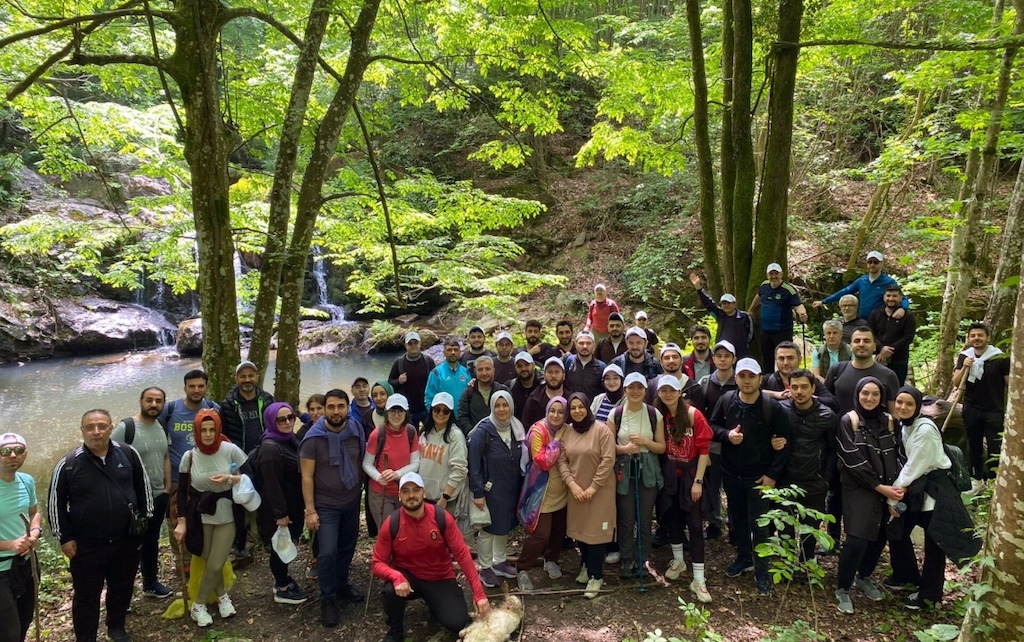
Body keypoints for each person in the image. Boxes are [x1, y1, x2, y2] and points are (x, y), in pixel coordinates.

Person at [50, 410, 153, 642]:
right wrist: (64, 538)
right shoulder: (69, 464)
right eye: (90, 427)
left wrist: (143, 523)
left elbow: (143, 488)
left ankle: (116, 626)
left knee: (122, 587)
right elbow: (55, 504)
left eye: (102, 426)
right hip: (86, 546)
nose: (96, 431)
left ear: (110, 427)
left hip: (125, 540)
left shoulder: (128, 454)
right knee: (87, 596)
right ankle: (86, 637)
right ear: (82, 430)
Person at [888, 386, 981, 610]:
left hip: (936, 491)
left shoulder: (925, 429)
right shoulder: (905, 426)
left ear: (918, 407)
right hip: (918, 488)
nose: (903, 407)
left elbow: (913, 467)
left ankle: (929, 596)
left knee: (935, 544)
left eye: (909, 404)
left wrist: (892, 496)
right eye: (900, 402)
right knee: (896, 530)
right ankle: (906, 575)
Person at [372, 473, 489, 642]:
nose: (411, 495)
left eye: (416, 490)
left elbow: (462, 554)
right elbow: (377, 563)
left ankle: (437, 606)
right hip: (408, 577)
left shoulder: (441, 517)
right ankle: (395, 631)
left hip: (439, 577)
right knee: (390, 591)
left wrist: (479, 593)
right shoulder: (392, 523)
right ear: (399, 496)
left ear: (424, 493)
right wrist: (396, 576)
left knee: (458, 623)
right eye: (405, 491)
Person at [708, 358, 791, 595]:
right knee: (738, 520)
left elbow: (785, 442)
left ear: (760, 379)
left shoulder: (771, 407)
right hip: (731, 474)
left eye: (751, 376)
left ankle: (762, 571)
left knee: (761, 524)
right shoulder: (726, 401)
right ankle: (744, 558)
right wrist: (727, 435)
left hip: (759, 477)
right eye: (742, 376)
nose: (746, 381)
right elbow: (712, 427)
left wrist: (772, 475)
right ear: (736, 378)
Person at [833, 378, 915, 615]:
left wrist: (898, 488)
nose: (869, 399)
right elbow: (851, 459)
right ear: (857, 394)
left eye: (875, 395)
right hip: (859, 489)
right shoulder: (849, 421)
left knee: (881, 534)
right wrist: (880, 487)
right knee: (857, 539)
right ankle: (843, 587)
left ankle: (864, 576)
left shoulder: (889, 421)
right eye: (865, 394)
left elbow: (901, 454)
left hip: (889, 488)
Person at [172, 410, 250, 628]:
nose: (207, 434)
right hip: (200, 515)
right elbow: (181, 492)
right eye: (203, 430)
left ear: (218, 430)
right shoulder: (189, 456)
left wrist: (231, 478)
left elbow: (250, 476)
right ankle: (223, 597)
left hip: (227, 513)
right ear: (197, 431)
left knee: (216, 564)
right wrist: (182, 520)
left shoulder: (231, 450)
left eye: (212, 429)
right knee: (207, 560)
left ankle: (198, 605)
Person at [300, 389, 366, 628]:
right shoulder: (313, 439)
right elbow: (306, 477)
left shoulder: (355, 428)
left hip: (350, 501)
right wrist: (310, 510)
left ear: (348, 408)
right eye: (331, 407)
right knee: (327, 552)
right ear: (324, 409)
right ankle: (327, 598)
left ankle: (342, 585)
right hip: (325, 505)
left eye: (340, 406)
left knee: (347, 547)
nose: (336, 411)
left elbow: (362, 459)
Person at [654, 377, 713, 603]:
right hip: (670, 475)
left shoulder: (692, 414)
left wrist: (698, 481)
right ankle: (678, 560)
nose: (668, 394)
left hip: (690, 476)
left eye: (672, 390)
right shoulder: (659, 415)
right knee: (672, 519)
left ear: (679, 392)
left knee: (696, 524)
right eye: (663, 391)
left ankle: (699, 579)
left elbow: (704, 449)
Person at [772, 369, 839, 565]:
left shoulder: (827, 415)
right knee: (785, 526)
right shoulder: (780, 410)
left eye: (804, 387)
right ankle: (786, 564)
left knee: (810, 528)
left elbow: (833, 450)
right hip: (785, 479)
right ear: (789, 388)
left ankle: (806, 563)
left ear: (813, 388)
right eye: (794, 387)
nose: (799, 391)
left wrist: (825, 479)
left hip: (814, 482)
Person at [112, 387, 173, 599]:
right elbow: (110, 459)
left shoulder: (161, 425)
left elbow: (165, 456)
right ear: (141, 401)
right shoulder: (126, 428)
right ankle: (122, 594)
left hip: (157, 496)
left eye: (158, 401)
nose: (154, 404)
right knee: (127, 547)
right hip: (133, 500)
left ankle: (150, 583)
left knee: (151, 541)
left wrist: (166, 488)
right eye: (149, 400)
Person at [159, 369, 220, 574]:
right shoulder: (169, 410)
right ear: (184, 387)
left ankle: (204, 555)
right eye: (192, 386)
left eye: (200, 386)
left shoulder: (213, 409)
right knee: (176, 518)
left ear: (206, 387)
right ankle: (181, 559)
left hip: (206, 475)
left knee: (205, 515)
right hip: (178, 477)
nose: (196, 390)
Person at [607, 372, 666, 579]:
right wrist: (626, 449)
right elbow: (608, 446)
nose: (635, 391)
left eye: (639, 387)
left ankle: (643, 560)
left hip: (647, 469)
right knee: (626, 517)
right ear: (625, 390)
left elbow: (661, 447)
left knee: (644, 517)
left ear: (645, 390)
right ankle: (626, 559)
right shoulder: (615, 414)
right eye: (631, 387)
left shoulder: (653, 414)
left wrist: (644, 442)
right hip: (624, 470)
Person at [558, 393, 616, 599]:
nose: (577, 411)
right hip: (577, 490)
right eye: (572, 408)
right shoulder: (568, 432)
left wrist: (593, 487)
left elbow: (608, 460)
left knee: (596, 535)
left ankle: (596, 576)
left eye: (580, 407)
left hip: (599, 492)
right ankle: (585, 565)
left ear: (587, 408)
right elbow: (562, 460)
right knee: (580, 530)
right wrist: (572, 485)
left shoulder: (601, 431)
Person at [467, 391, 526, 587]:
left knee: (504, 525)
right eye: (497, 406)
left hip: (510, 487)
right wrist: (478, 492)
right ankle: (485, 567)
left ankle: (499, 562)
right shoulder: (483, 431)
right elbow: (473, 463)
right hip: (490, 489)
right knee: (488, 528)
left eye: (505, 405)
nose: (501, 409)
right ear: (492, 407)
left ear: (511, 406)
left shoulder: (516, 428)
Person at [221, 360, 275, 565]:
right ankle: (240, 545)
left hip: (264, 456)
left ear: (257, 377)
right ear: (237, 379)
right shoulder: (228, 404)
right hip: (239, 460)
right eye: (242, 376)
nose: (247, 380)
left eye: (250, 375)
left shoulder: (267, 399)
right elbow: (223, 433)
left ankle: (268, 539)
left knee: (267, 498)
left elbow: (274, 425)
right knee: (239, 502)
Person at [255, 402, 308, 605]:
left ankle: (284, 579)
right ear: (271, 421)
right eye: (281, 419)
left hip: (293, 504)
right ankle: (282, 587)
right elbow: (271, 485)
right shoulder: (270, 449)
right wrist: (280, 515)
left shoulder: (289, 440)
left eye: (290, 417)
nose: (287, 422)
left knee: (287, 543)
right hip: (277, 509)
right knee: (280, 547)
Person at [515, 397, 569, 591]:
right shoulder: (538, 431)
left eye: (561, 411)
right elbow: (543, 462)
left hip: (562, 490)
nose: (556, 415)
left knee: (558, 531)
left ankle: (551, 559)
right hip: (541, 494)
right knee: (541, 535)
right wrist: (555, 441)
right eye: (552, 411)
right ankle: (522, 568)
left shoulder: (568, 430)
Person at [952, 322, 1009, 491]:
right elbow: (956, 382)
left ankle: (993, 481)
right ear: (969, 338)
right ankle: (977, 479)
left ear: (988, 338)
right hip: (971, 408)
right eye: (973, 336)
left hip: (994, 409)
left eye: (980, 335)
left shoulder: (999, 357)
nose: (976, 338)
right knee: (973, 444)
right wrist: (965, 368)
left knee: (995, 446)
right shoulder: (965, 356)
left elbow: (1010, 383)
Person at [0, 433, 41, 642]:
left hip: (26, 563)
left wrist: (34, 533)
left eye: (18, 450)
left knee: (25, 620)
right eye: (5, 451)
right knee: (9, 631)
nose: (12, 455)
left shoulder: (26, 481)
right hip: (1, 570)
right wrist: (11, 544)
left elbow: (34, 512)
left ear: (25, 454)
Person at [364, 395, 421, 536]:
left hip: (404, 491)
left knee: (405, 530)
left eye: (400, 411)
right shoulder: (378, 434)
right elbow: (366, 463)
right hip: (380, 492)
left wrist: (397, 474)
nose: (396, 415)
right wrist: (379, 477)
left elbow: (415, 463)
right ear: (386, 413)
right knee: (388, 531)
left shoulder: (411, 432)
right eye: (392, 411)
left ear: (406, 413)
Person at [699, 340, 737, 541]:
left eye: (727, 356)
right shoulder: (706, 382)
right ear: (714, 359)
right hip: (712, 444)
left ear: (734, 359)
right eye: (719, 356)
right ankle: (714, 522)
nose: (723, 360)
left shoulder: (740, 381)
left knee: (732, 487)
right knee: (712, 486)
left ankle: (734, 525)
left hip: (735, 444)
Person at [418, 393, 469, 535]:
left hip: (444, 500)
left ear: (451, 413)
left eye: (445, 411)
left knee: (442, 538)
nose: (441, 414)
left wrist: (445, 498)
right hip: (423, 498)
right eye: (437, 409)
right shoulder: (424, 433)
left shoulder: (455, 436)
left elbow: (459, 470)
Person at [813, 251, 909, 322]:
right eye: (870, 262)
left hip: (880, 322)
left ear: (881, 264)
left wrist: (902, 309)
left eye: (875, 262)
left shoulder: (888, 281)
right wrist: (824, 301)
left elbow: (903, 298)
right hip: (862, 321)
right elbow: (845, 291)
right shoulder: (862, 280)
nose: (872, 265)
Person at [748, 262, 808, 368]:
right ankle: (769, 381)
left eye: (776, 273)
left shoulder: (788, 290)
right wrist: (751, 309)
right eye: (771, 274)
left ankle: (789, 380)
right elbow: (758, 296)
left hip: (782, 332)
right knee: (767, 359)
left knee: (785, 359)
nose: (774, 276)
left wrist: (802, 314)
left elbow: (798, 305)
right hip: (765, 331)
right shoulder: (764, 286)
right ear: (767, 275)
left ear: (781, 274)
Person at [762, 342, 839, 413]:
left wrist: (809, 398)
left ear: (800, 359)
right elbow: (752, 393)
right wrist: (775, 394)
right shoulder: (768, 380)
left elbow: (833, 403)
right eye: (781, 358)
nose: (785, 363)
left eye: (790, 358)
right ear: (776, 360)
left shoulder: (810, 380)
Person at [690, 272, 753, 358]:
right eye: (724, 303)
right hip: (722, 352)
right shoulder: (720, 315)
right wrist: (699, 288)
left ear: (734, 304)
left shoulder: (743, 317)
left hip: (740, 353)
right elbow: (708, 303)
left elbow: (750, 334)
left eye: (729, 303)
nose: (726, 305)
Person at [868, 284, 917, 385]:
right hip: (877, 359)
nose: (891, 299)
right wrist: (881, 348)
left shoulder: (908, 316)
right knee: (876, 387)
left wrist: (889, 350)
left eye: (894, 296)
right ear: (884, 297)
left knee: (896, 388)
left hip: (899, 360)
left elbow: (908, 337)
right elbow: (870, 333)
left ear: (900, 298)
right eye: (888, 296)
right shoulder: (875, 314)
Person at [388, 331, 436, 429]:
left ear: (420, 344)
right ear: (406, 345)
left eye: (415, 343)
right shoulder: (399, 362)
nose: (413, 345)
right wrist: (399, 381)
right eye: (410, 343)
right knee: (410, 438)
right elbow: (389, 383)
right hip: (407, 410)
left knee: (431, 434)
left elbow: (435, 382)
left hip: (425, 408)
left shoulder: (428, 361)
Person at [457, 356, 510, 434]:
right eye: (480, 370)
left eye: (487, 369)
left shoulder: (503, 391)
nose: (484, 373)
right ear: (475, 371)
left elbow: (511, 413)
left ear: (493, 371)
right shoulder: (468, 394)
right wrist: (472, 433)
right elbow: (462, 416)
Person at [425, 336, 472, 420]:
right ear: (444, 352)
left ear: (460, 352)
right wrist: (435, 418)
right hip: (443, 419)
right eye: (449, 350)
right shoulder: (436, 373)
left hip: (463, 418)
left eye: (456, 350)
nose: (453, 353)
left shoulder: (465, 372)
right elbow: (429, 398)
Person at [522, 357, 575, 429]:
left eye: (557, 372)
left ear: (564, 376)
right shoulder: (534, 399)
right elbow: (526, 427)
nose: (553, 376)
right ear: (544, 375)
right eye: (550, 372)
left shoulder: (572, 399)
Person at [563, 330, 606, 401]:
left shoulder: (601, 366)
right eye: (581, 343)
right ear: (576, 344)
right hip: (570, 407)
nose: (585, 346)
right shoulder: (567, 360)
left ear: (594, 345)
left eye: (588, 343)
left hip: (592, 409)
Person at [508, 353, 541, 422]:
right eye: (519, 366)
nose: (523, 368)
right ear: (515, 368)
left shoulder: (542, 386)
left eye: (527, 365)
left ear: (533, 365)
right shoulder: (510, 386)